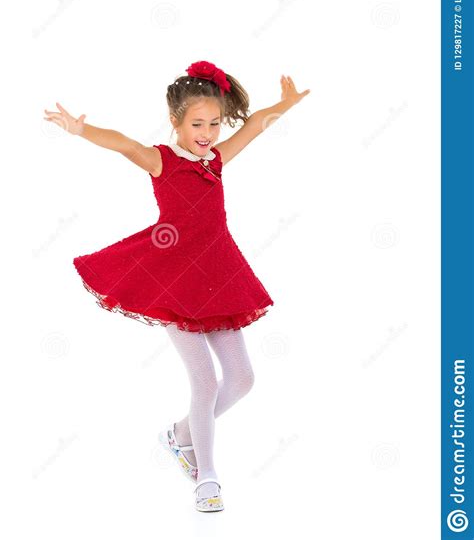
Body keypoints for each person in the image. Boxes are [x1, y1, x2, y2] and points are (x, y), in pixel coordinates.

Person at [43, 60, 310, 512]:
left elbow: (256, 129)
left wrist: (283, 104)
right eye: (196, 124)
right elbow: (124, 144)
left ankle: (181, 433)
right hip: (174, 278)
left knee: (243, 378)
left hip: (220, 275)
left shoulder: (216, 159)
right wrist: (80, 130)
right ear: (176, 122)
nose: (206, 133)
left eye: (213, 123)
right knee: (204, 382)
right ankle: (206, 476)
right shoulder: (162, 160)